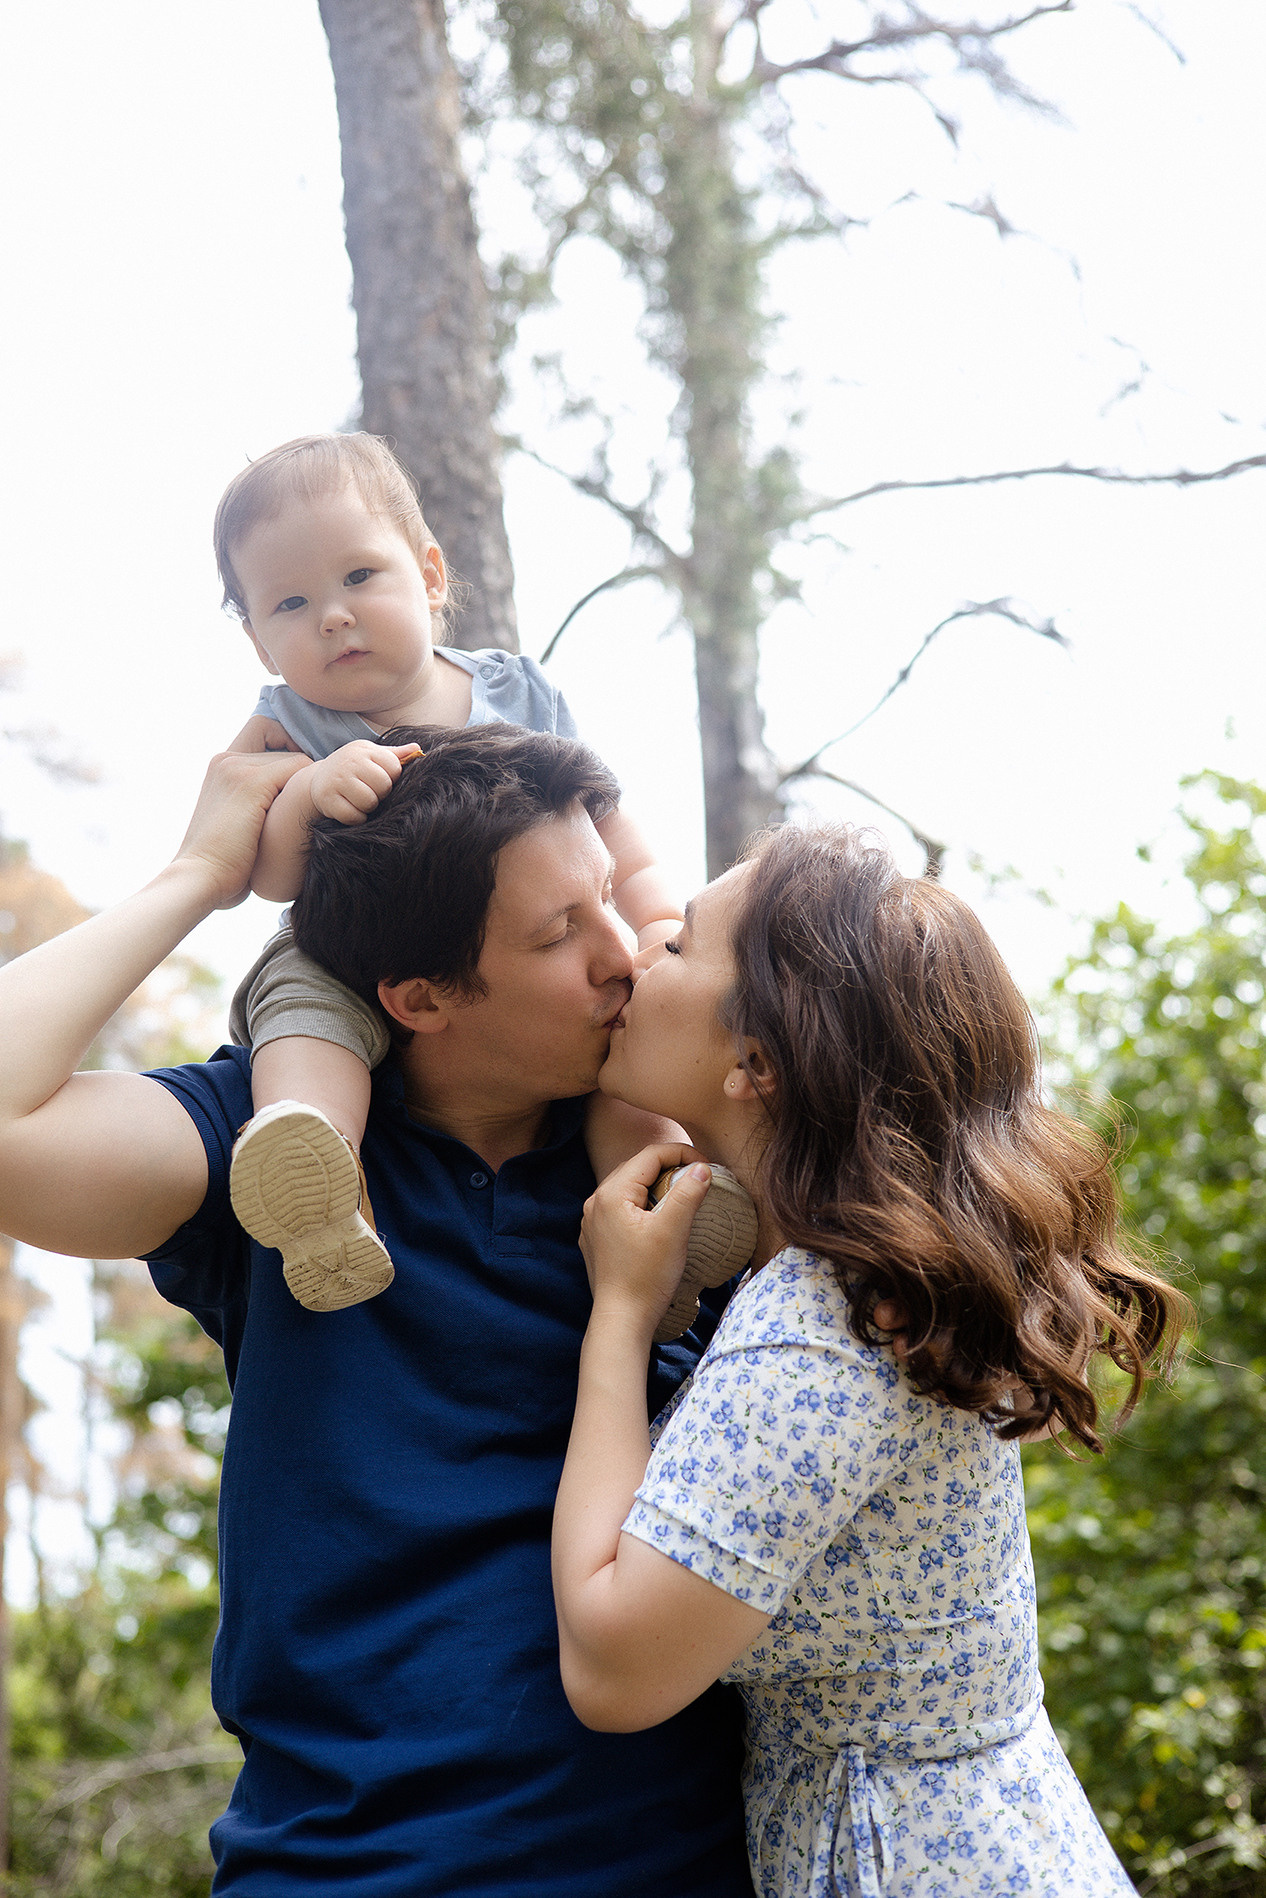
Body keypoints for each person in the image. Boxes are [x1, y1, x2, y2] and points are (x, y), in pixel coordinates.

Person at [0, 733, 755, 1896]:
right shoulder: (280, 1147)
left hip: (672, 1858)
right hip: (347, 1867)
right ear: (419, 997)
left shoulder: (669, 1167)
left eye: (608, 898)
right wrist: (202, 871)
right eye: (560, 933)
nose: (623, 957)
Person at [551, 822, 1190, 1897]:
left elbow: (614, 1668)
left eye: (675, 947)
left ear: (754, 1061)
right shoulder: (866, 1278)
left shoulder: (823, 1322)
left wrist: (619, 1310)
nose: (631, 957)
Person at [215, 431, 693, 1312]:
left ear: (429, 574)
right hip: (341, 949)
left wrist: (660, 917)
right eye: (289, 602)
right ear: (259, 642)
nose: (332, 615)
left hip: (523, 951)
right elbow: (268, 874)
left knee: (622, 1043)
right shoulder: (285, 725)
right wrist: (309, 791)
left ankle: (662, 1208)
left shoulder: (515, 693)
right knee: (304, 1011)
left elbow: (608, 823)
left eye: (360, 577)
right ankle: (314, 1165)